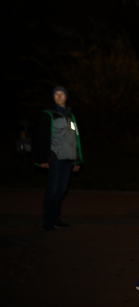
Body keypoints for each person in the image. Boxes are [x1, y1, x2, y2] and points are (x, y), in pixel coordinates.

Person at [35, 86, 83, 231]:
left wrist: (77, 159)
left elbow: (76, 139)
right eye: (56, 94)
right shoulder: (49, 114)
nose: (59, 97)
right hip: (55, 157)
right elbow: (43, 137)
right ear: (53, 97)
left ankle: (56, 218)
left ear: (66, 97)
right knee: (53, 189)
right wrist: (41, 158)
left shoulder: (70, 116)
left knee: (62, 190)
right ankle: (47, 220)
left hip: (68, 158)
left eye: (62, 94)